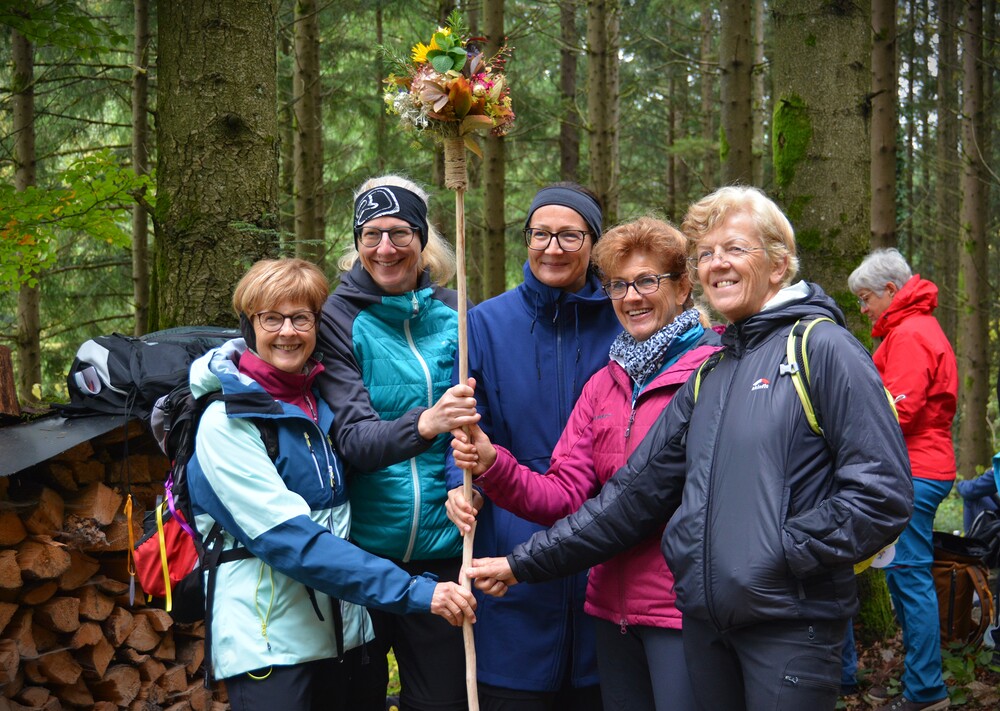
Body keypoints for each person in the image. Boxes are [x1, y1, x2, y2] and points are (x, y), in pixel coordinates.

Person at [464, 186, 914, 711]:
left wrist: (775, 556)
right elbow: (630, 499)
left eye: (735, 249)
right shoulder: (712, 372)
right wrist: (519, 553)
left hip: (782, 623)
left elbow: (880, 495)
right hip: (696, 620)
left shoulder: (820, 347)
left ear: (778, 264)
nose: (718, 263)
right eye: (707, 254)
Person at [449, 217, 720, 710]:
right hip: (611, 612)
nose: (632, 297)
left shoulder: (713, 369)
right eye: (618, 285)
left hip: (682, 611)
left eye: (646, 282)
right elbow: (565, 495)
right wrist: (492, 463)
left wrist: (521, 564)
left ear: (682, 288)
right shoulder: (606, 384)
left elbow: (650, 500)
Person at [184, 258, 477, 711]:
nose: (288, 332)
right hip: (271, 645)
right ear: (248, 325)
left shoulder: (321, 406)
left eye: (302, 318)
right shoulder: (226, 422)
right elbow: (292, 541)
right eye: (271, 318)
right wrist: (416, 591)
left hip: (346, 638)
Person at [444, 183, 621, 710]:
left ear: (594, 242)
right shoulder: (485, 323)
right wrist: (462, 487)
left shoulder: (624, 319)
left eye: (570, 235)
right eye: (540, 234)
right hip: (510, 533)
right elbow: (468, 425)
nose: (552, 247)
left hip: (603, 533)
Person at [315, 176, 480, 711]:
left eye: (399, 232)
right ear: (357, 242)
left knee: (442, 702)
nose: (385, 248)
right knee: (354, 700)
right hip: (362, 557)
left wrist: (467, 485)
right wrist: (426, 422)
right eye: (371, 234)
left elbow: (479, 419)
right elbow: (355, 441)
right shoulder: (337, 317)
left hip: (445, 556)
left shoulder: (458, 310)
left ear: (423, 235)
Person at [849, 248, 957, 711]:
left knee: (910, 578)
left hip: (917, 468)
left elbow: (900, 409)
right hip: (917, 466)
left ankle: (927, 692)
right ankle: (920, 680)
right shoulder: (909, 329)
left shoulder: (911, 333)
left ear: (892, 291)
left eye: (866, 297)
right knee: (904, 576)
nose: (863, 308)